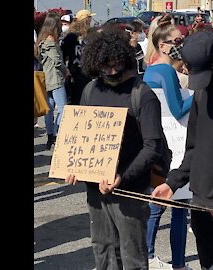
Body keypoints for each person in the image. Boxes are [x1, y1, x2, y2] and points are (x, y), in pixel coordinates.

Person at [66, 26, 165, 270]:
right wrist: (72, 167)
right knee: (103, 252)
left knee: (132, 257)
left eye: (116, 65)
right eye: (105, 66)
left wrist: (123, 176)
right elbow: (80, 136)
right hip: (96, 191)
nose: (111, 71)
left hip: (129, 192)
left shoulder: (141, 94)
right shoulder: (90, 90)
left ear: (125, 60)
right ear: (95, 63)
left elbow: (153, 146)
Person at [152, 31, 213, 270]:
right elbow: (194, 149)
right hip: (200, 202)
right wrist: (172, 183)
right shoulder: (202, 92)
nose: (202, 83)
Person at [143, 14, 193, 270]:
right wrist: (198, 92)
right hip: (174, 143)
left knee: (157, 204)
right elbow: (179, 109)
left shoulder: (151, 69)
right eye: (177, 40)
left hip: (157, 144)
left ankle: (149, 255)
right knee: (178, 208)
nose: (181, 44)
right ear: (163, 46)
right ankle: (178, 263)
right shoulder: (165, 71)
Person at [35, 12, 69, 150]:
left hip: (46, 78)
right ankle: (56, 134)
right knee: (63, 108)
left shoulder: (42, 40)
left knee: (49, 110)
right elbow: (57, 60)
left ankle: (50, 135)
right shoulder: (50, 41)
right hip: (55, 78)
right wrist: (66, 70)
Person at [60, 9, 96, 105]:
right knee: (77, 100)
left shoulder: (89, 35)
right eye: (90, 18)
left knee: (88, 98)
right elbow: (62, 52)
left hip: (87, 72)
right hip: (75, 72)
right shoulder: (71, 36)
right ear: (85, 20)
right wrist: (65, 70)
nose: (91, 21)